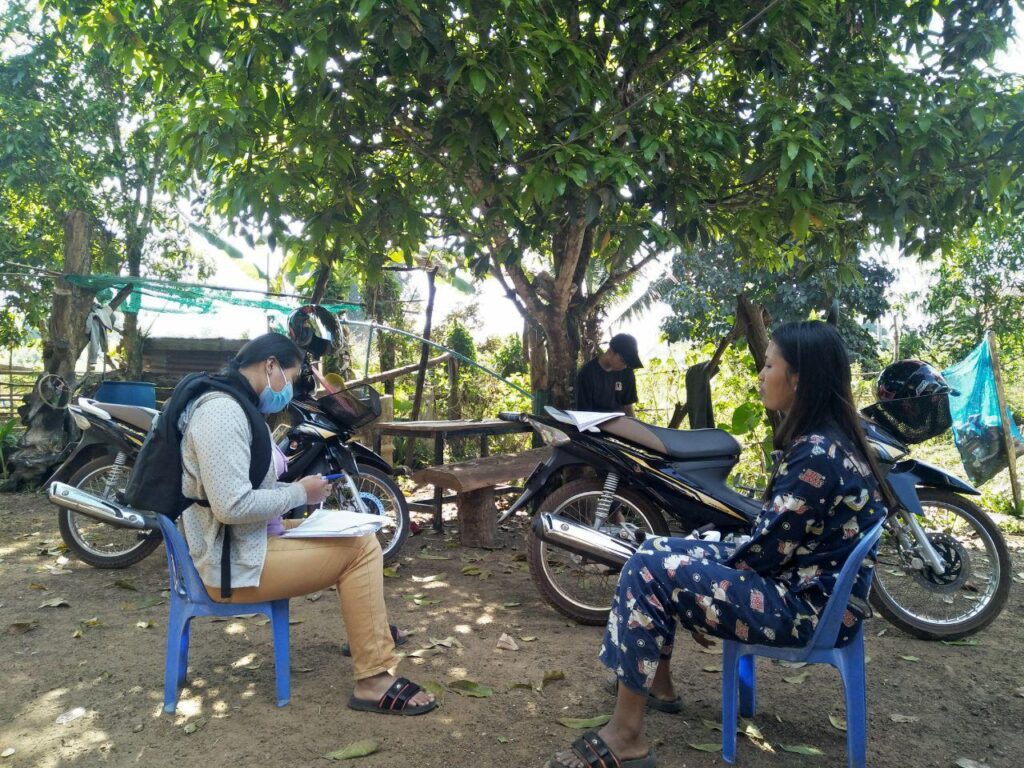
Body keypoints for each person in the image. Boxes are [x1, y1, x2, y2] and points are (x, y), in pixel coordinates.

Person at [545, 321, 890, 768]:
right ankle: (657, 686)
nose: (761, 375)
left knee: (651, 570)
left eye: (769, 366)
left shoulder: (817, 456)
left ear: (798, 377)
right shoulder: (830, 441)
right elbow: (772, 545)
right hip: (805, 586)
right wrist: (702, 576)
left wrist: (702, 597)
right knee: (654, 551)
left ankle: (626, 735)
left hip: (805, 610)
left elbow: (764, 554)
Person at [179, 332, 436, 716]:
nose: (288, 389)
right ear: (270, 365)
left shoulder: (236, 404)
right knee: (362, 550)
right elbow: (232, 506)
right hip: (230, 565)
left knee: (356, 531)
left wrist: (299, 497)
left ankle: (370, 637)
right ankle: (373, 680)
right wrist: (300, 492)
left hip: (246, 543)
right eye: (291, 377)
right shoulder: (221, 413)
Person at [575, 333, 643, 417]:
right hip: (595, 422)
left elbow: (628, 407)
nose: (625, 366)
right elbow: (584, 412)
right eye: (622, 361)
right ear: (611, 351)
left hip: (620, 422)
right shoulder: (587, 373)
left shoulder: (627, 372)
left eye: (627, 363)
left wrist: (633, 425)